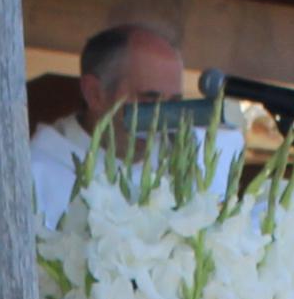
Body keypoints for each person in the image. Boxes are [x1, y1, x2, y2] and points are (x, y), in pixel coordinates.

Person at [31, 17, 192, 227]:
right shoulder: (35, 174)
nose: (162, 119)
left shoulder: (181, 173)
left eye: (173, 104)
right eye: (149, 100)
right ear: (95, 93)